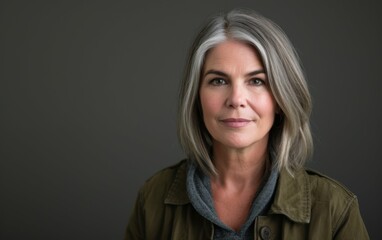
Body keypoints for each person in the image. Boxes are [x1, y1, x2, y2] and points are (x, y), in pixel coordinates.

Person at [125, 9, 369, 239]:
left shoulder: (336, 210)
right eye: (219, 81)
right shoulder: (153, 198)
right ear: (196, 97)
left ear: (280, 99)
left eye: (256, 81)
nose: (236, 100)